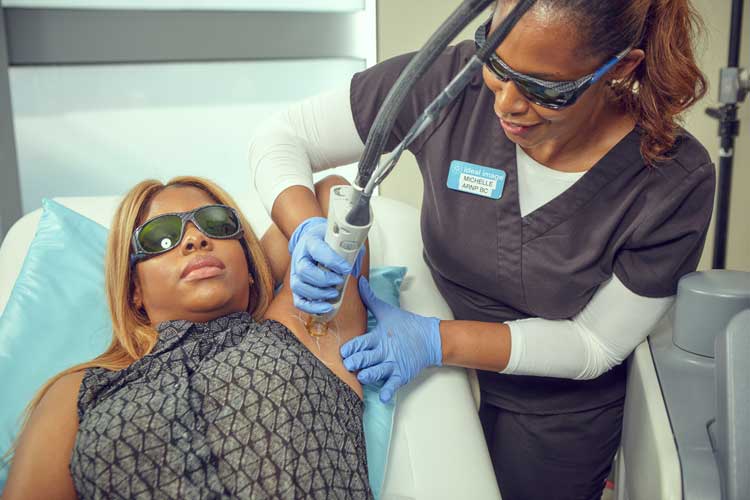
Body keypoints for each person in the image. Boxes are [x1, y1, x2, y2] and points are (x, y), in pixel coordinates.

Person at [248, 1, 715, 498]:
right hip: (432, 364)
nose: (506, 104)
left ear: (620, 67)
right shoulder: (451, 84)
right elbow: (283, 137)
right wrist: (304, 229)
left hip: (552, 410)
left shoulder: (672, 180)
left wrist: (436, 342)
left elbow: (593, 344)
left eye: (543, 88)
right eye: (495, 61)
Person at [3, 175, 376, 499]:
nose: (195, 239)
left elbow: (336, 197)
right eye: (161, 238)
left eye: (216, 224)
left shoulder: (302, 328)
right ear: (134, 289)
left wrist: (257, 265)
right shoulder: (82, 390)